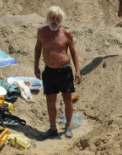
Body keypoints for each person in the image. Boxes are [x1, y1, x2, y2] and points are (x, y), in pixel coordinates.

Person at [34, 6, 82, 138]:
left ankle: (68, 126)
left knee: (67, 100)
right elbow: (38, 49)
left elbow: (73, 52)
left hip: (64, 70)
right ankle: (52, 128)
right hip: (49, 71)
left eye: (58, 18)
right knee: (50, 100)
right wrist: (36, 66)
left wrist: (78, 70)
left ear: (61, 20)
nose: (55, 20)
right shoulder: (41, 31)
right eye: (52, 18)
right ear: (48, 18)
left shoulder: (66, 33)